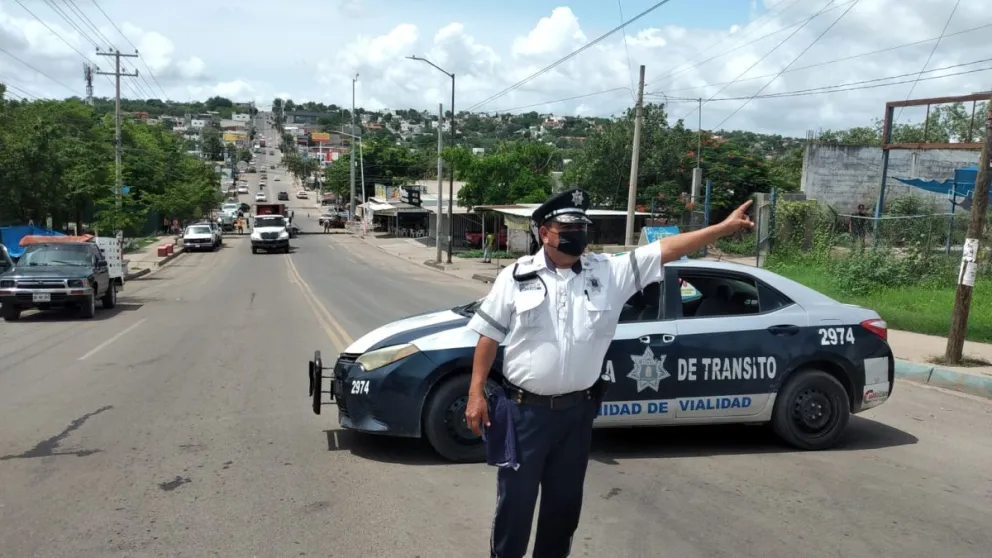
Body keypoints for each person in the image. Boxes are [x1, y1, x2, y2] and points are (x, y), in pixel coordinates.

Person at [464, 188, 754, 558]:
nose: (577, 233)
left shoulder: (610, 272)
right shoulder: (516, 276)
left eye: (582, 226)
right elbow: (488, 336)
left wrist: (722, 229)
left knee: (563, 507)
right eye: (567, 226)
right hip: (524, 414)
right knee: (515, 506)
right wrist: (475, 393)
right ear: (545, 233)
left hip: (577, 415)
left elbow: (669, 249)